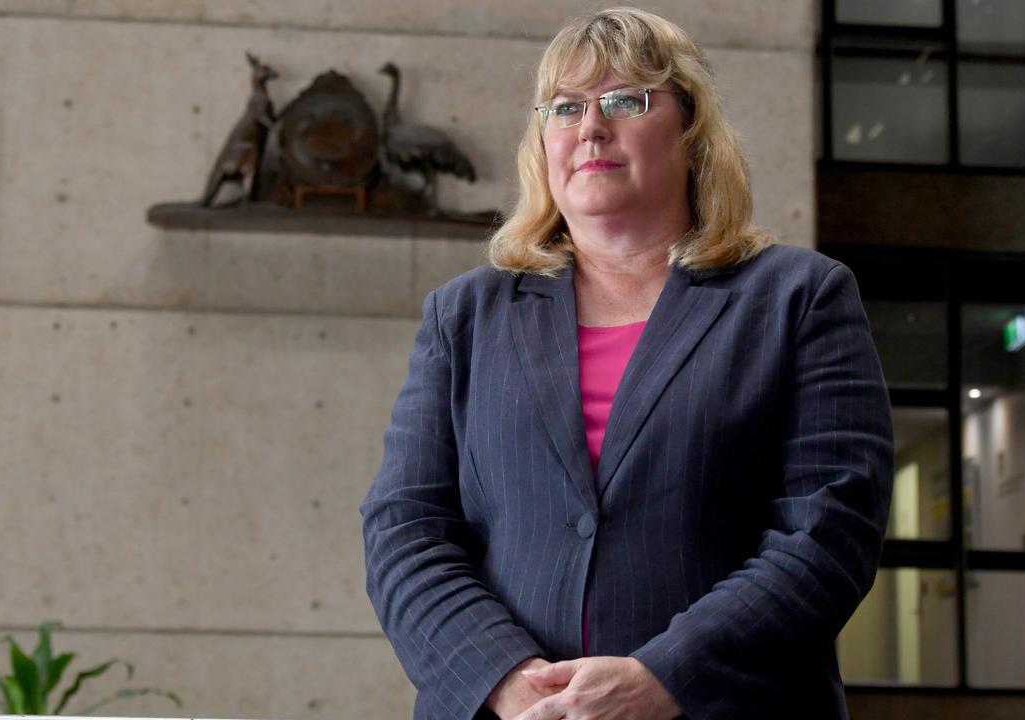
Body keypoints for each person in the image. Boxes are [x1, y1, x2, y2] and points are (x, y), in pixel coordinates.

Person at [361, 7, 893, 719]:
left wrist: (667, 676)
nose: (590, 127)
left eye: (625, 100)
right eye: (565, 106)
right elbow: (406, 526)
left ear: (692, 130)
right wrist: (505, 678)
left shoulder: (799, 299)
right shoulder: (464, 318)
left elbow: (829, 529)